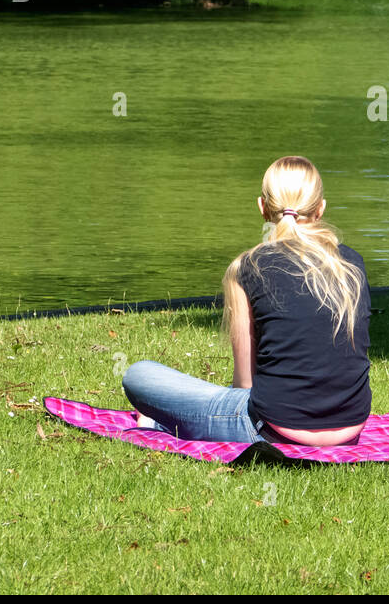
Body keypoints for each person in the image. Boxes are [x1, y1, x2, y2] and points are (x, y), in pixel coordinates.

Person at [122, 156, 371, 446]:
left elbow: (244, 384)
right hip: (350, 430)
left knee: (138, 374)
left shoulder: (248, 267)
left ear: (262, 208)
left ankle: (162, 420)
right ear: (320, 208)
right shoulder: (352, 264)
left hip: (272, 430)